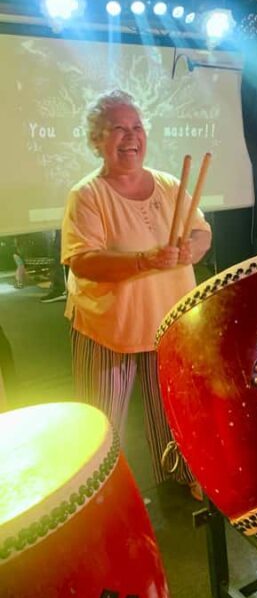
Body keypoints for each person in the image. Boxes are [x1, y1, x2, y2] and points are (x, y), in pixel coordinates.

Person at [61, 90, 212, 497]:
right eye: (118, 128)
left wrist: (191, 249)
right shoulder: (87, 195)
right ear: (97, 140)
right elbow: (82, 261)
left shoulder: (168, 184)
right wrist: (144, 261)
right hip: (109, 330)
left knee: (171, 415)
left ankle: (179, 481)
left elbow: (201, 231)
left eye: (137, 127)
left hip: (168, 324)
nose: (131, 137)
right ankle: (96, 496)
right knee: (101, 422)